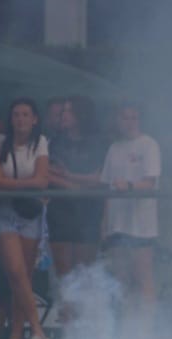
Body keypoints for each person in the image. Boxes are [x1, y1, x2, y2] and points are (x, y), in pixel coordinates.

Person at [0, 97, 51, 339]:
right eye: (16, 115)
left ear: (34, 119)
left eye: (25, 114)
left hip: (28, 213)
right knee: (15, 270)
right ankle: (36, 328)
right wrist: (26, 185)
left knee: (24, 276)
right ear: (10, 119)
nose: (20, 119)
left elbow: (43, 180)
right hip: (2, 212)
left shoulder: (40, 142)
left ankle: (15, 334)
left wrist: (11, 186)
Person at [100, 101, 162, 325]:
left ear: (140, 120)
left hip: (141, 224)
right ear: (118, 120)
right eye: (125, 117)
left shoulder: (149, 145)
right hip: (117, 224)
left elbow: (150, 182)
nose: (129, 122)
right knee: (121, 278)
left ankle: (146, 328)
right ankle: (126, 327)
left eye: (133, 117)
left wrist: (128, 186)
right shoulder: (114, 148)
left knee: (143, 275)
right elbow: (107, 187)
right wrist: (104, 224)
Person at [46, 96, 107, 325]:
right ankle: (68, 321)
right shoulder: (55, 143)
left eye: (68, 111)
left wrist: (70, 178)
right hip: (61, 213)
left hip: (89, 213)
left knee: (85, 271)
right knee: (65, 273)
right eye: (62, 112)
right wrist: (76, 187)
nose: (64, 116)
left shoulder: (98, 143)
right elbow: (49, 173)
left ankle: (86, 320)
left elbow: (101, 177)